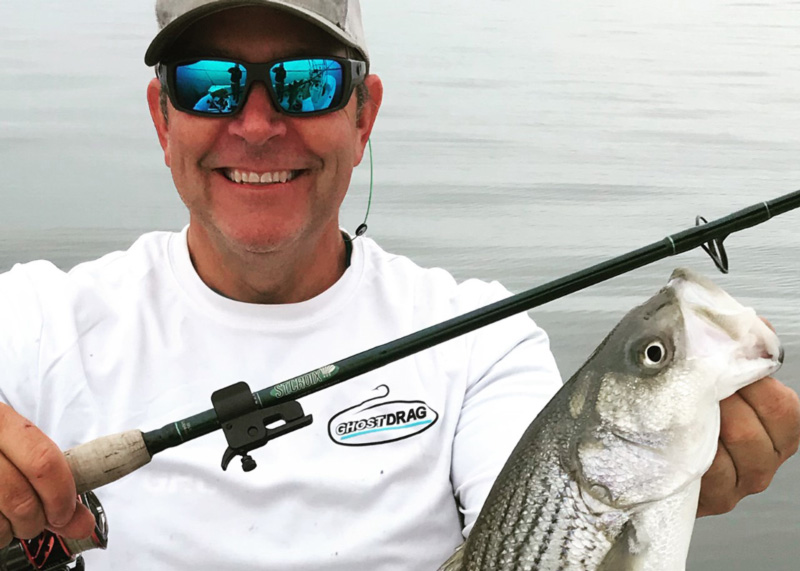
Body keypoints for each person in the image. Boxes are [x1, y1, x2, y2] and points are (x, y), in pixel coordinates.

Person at [0, 1, 797, 569]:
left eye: (305, 82)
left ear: (363, 113)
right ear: (161, 116)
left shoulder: (483, 336)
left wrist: (656, 497)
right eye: (207, 82)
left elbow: (545, 506)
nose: (254, 121)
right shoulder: (40, 318)